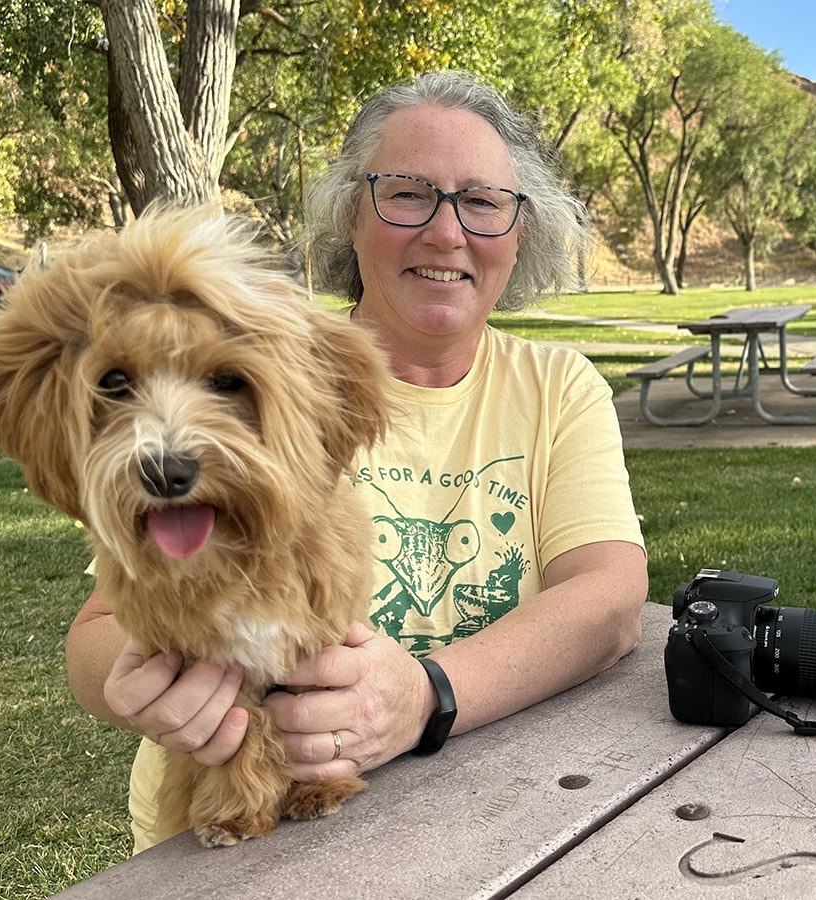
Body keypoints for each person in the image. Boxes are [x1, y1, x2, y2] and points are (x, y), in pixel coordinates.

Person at [63, 70, 649, 852]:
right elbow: (96, 634)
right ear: (350, 213)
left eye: (481, 202)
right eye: (407, 193)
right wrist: (140, 688)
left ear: (519, 233)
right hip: (229, 828)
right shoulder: (238, 370)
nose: (447, 233)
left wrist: (426, 695)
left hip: (480, 807)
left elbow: (610, 599)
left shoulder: (557, 387)